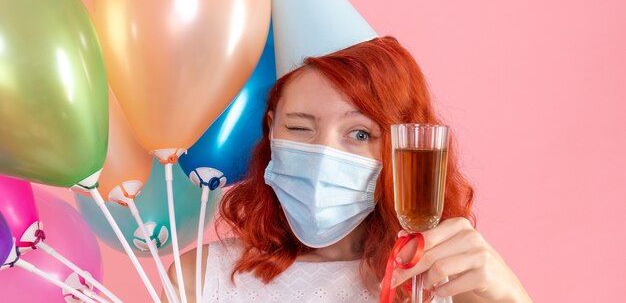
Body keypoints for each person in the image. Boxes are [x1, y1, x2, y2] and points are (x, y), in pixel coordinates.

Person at [168, 36, 531, 302]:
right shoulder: (199, 280)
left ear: (397, 149)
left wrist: (512, 298)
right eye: (299, 127)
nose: (324, 153)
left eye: (359, 133)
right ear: (270, 131)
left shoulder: (450, 283)